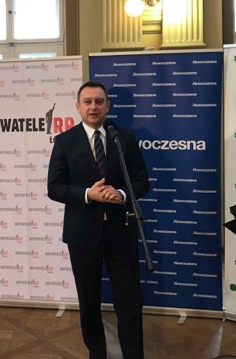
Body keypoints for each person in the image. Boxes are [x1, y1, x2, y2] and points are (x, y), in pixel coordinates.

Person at [47, 81, 149, 359]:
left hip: (121, 232)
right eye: (88, 101)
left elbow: (142, 181)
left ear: (108, 105)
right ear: (78, 107)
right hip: (82, 236)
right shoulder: (65, 141)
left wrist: (122, 193)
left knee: (129, 303)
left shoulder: (123, 138)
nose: (94, 107)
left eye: (99, 101)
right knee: (89, 302)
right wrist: (87, 194)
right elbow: (54, 188)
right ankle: (97, 353)